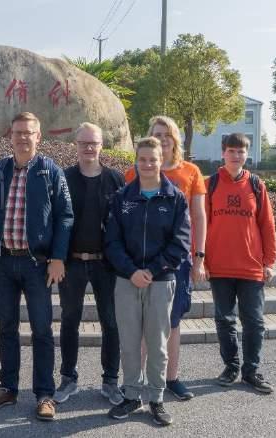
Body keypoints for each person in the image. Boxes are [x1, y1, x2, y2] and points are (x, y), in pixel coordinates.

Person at [0, 112, 73, 421]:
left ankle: (44, 394)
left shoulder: (50, 171)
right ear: (11, 136)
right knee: (6, 328)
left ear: (38, 136)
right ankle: (8, 388)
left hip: (37, 265)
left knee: (42, 330)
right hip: (3, 263)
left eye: (28, 132)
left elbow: (65, 216)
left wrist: (58, 257)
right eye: (17, 132)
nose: (22, 137)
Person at [105, 137, 190, 426]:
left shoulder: (175, 198)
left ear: (160, 160)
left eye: (152, 159)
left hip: (161, 281)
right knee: (129, 342)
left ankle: (155, 398)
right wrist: (131, 271)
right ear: (136, 161)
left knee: (157, 343)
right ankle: (131, 395)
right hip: (127, 280)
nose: (147, 164)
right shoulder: (122, 197)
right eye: (142, 159)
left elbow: (180, 244)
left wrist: (151, 271)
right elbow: (112, 242)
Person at [123, 116, 207, 400]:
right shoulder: (133, 173)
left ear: (175, 139)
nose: (162, 138)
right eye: (156, 134)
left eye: (167, 134)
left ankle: (171, 377)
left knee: (171, 322)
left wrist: (199, 258)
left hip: (174, 261)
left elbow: (198, 216)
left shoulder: (190, 172)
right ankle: (140, 380)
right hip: (139, 262)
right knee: (141, 322)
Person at [53, 123, 124, 406]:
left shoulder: (115, 180)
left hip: (106, 265)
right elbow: (55, 219)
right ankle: (68, 379)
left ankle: (110, 381)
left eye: (93, 143)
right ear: (76, 145)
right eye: (84, 143)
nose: (89, 148)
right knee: (69, 321)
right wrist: (55, 258)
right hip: (71, 263)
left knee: (111, 322)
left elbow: (123, 223)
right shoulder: (64, 178)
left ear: (101, 146)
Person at [204, 133, 276, 394]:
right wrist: (200, 259)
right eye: (232, 151)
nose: (237, 155)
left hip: (251, 266)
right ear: (223, 153)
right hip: (220, 266)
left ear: (247, 154)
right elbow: (200, 226)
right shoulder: (210, 184)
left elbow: (267, 225)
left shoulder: (257, 185)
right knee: (224, 320)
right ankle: (231, 366)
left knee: (254, 321)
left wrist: (269, 261)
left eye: (241, 151)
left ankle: (251, 371)